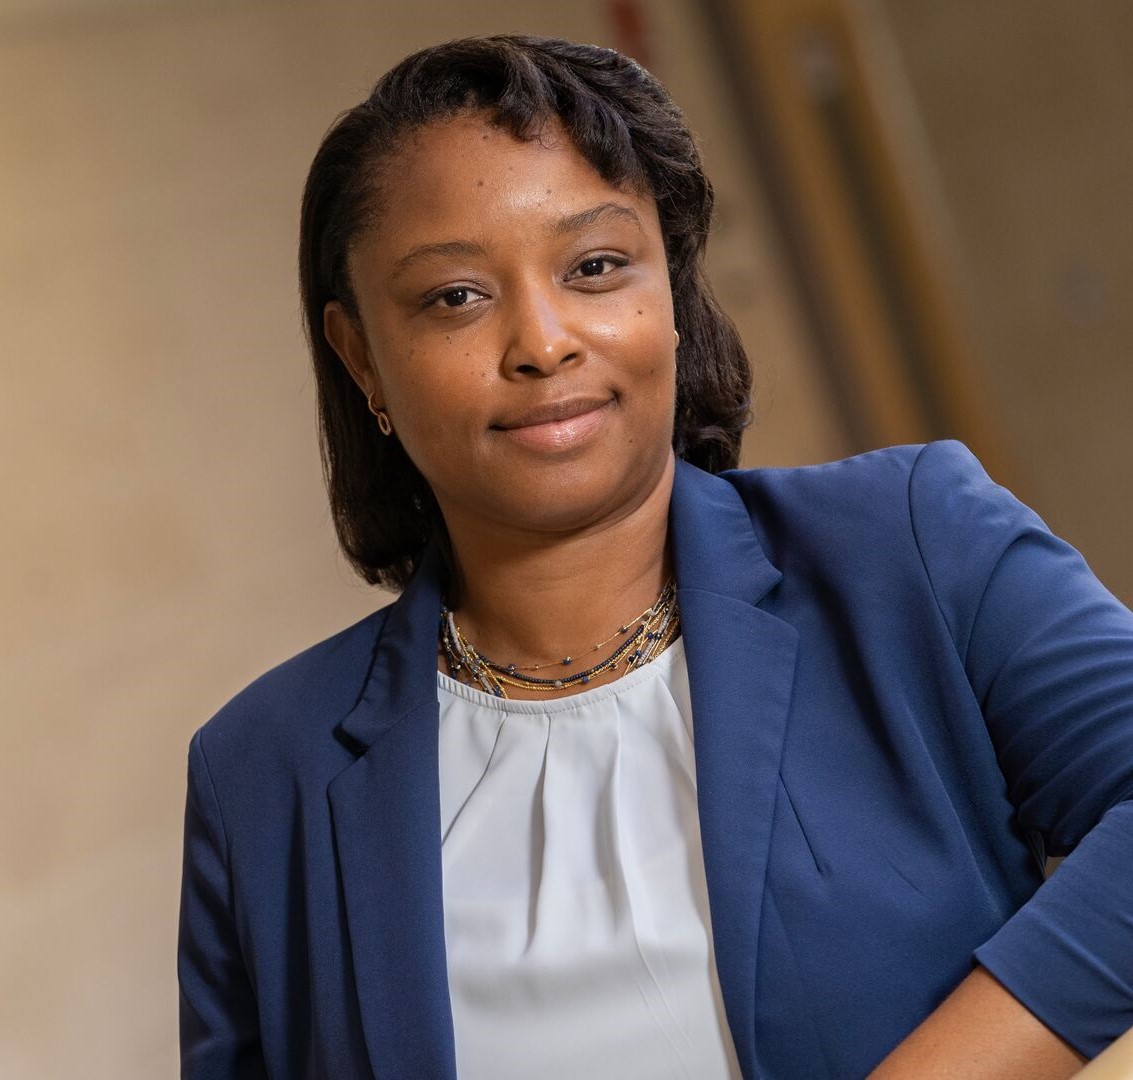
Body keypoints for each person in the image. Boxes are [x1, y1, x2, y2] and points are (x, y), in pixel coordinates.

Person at [177, 34, 1133, 1080]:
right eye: (454, 296)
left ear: (668, 294)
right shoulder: (261, 775)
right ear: (360, 355)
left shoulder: (908, 541)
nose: (541, 342)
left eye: (594, 268)